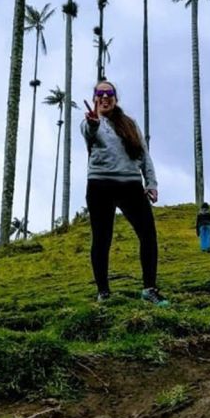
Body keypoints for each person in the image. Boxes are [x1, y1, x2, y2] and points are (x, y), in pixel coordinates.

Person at [81, 80, 168, 307]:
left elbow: (144, 155)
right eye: (100, 93)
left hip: (130, 185)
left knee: (148, 234)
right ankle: (103, 292)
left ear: (115, 98)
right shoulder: (92, 122)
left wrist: (151, 182)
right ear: (95, 99)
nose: (105, 97)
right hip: (100, 185)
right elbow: (89, 132)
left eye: (109, 93)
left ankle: (149, 289)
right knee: (102, 238)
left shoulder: (130, 124)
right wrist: (92, 123)